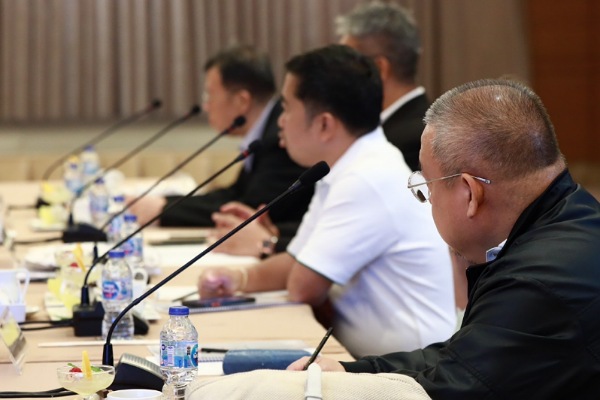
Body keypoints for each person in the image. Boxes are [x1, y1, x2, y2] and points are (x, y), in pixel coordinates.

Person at [288, 79, 600, 398]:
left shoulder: (535, 279)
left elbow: (452, 388)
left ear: (470, 194)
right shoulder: (572, 215)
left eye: (428, 187)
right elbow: (464, 356)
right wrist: (351, 371)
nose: (428, 201)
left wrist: (341, 387)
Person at [199, 45, 455, 357]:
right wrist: (238, 278)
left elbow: (302, 286)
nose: (280, 121)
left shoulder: (367, 178)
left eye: (287, 108)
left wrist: (250, 278)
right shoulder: (347, 167)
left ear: (324, 124)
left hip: (410, 369)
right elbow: (296, 259)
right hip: (370, 358)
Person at [209, 1, 428, 257]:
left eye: (349, 61)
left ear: (378, 69)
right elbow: (338, 223)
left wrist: (271, 242)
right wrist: (275, 234)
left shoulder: (415, 138)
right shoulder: (376, 129)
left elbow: (355, 235)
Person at [128, 45, 313, 252]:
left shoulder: (280, 139)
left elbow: (249, 209)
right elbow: (234, 194)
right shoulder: (265, 133)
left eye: (209, 95)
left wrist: (164, 209)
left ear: (242, 101)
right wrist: (163, 204)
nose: (206, 106)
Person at [336, 1, 427, 171]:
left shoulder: (416, 140)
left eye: (345, 64)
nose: (338, 75)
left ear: (378, 68)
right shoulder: (402, 128)